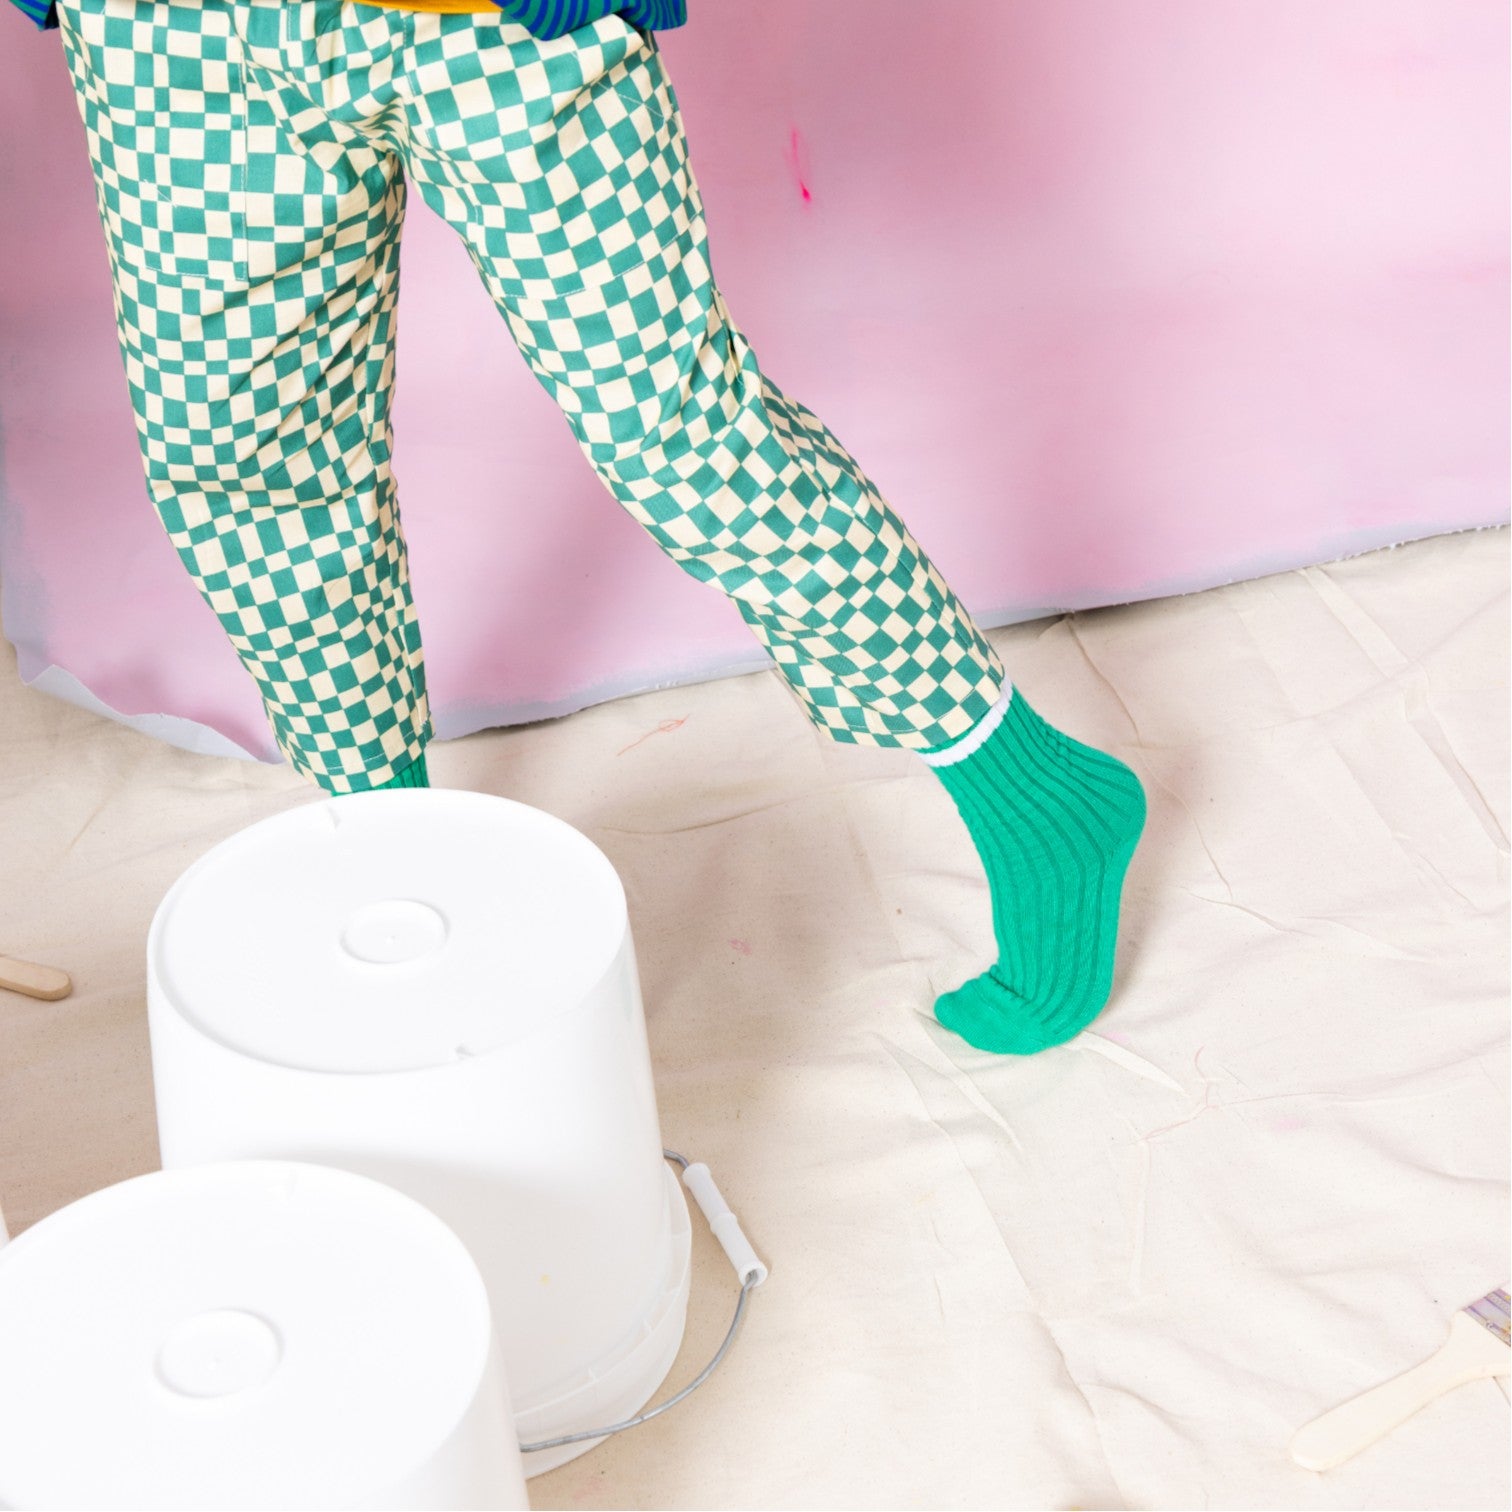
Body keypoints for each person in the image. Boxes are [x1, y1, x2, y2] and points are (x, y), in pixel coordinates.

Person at [14, 0, 1147, 1055]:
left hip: (495, 33)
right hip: (178, 38)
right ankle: (397, 864)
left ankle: (1028, 784)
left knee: (678, 428)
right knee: (243, 456)